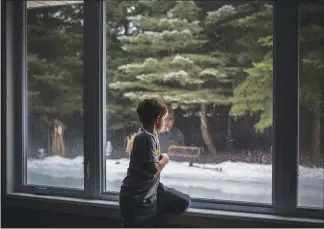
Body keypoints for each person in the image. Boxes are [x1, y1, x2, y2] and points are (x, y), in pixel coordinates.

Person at [119, 98, 191, 228]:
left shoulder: (151, 136)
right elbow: (154, 168)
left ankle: (155, 206)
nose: (165, 121)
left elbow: (147, 161)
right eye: (164, 118)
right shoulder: (145, 138)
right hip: (137, 195)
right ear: (158, 119)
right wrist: (165, 159)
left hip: (152, 189)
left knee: (184, 201)